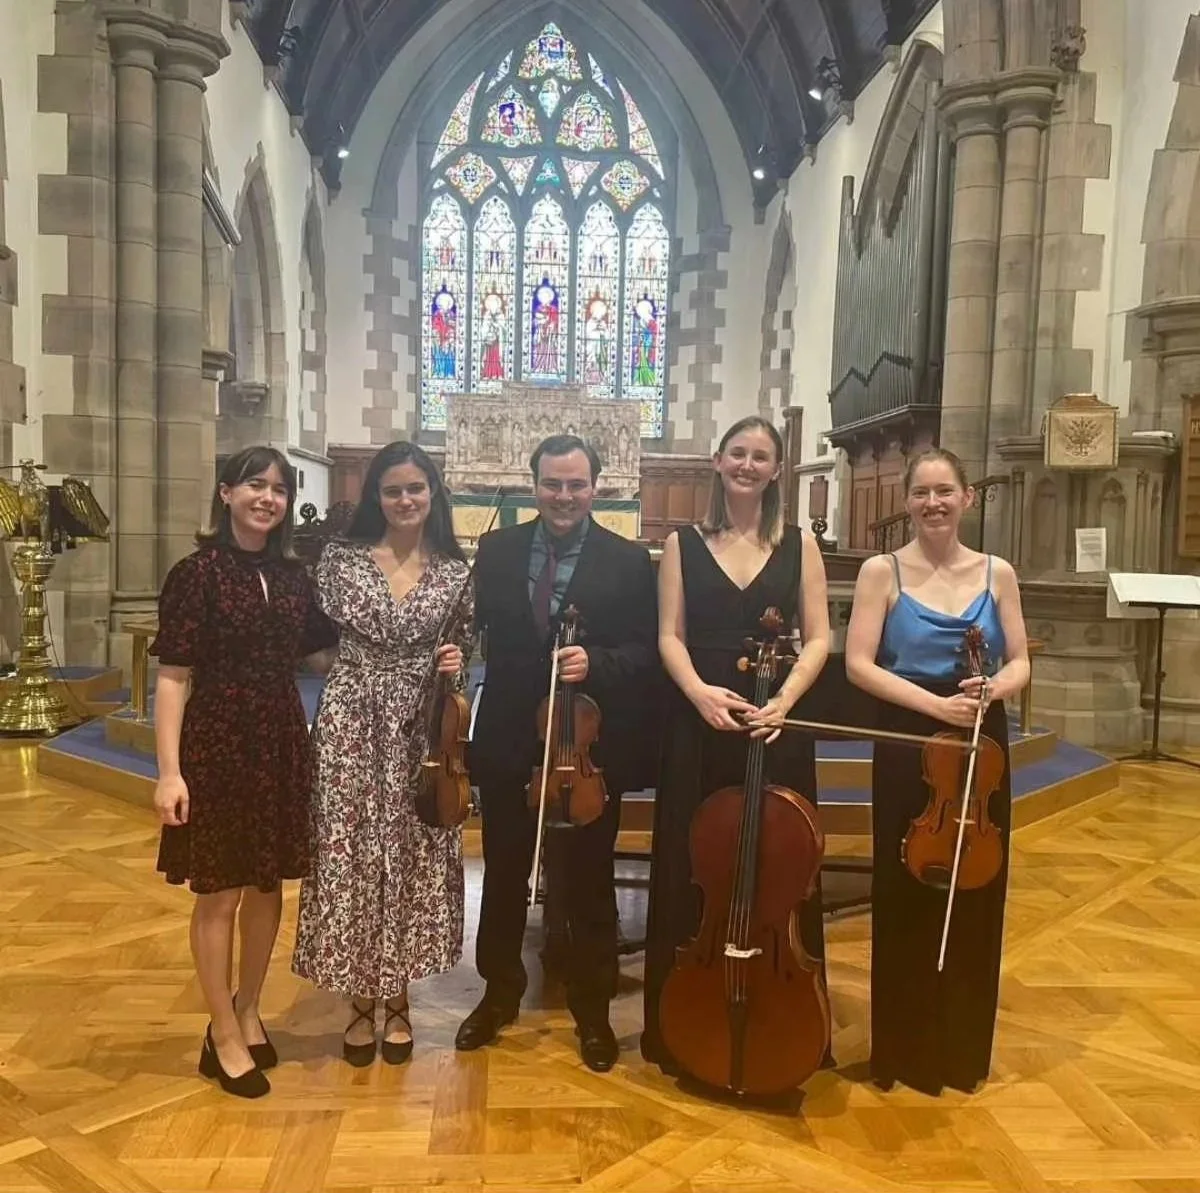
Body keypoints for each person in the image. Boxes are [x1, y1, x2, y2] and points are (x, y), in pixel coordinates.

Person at [455, 434, 658, 1072]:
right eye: (552, 483)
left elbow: (649, 653)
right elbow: (469, 627)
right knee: (506, 875)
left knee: (589, 880)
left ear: (598, 487)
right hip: (511, 736)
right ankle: (499, 992)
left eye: (576, 484)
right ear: (533, 484)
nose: (564, 496)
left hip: (587, 749)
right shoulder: (495, 550)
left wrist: (595, 660)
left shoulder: (628, 561)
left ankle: (592, 1007)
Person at [640, 415, 833, 1077]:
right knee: (697, 868)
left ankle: (783, 1020)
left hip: (774, 721)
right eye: (738, 454)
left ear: (777, 470)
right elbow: (671, 634)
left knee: (780, 872)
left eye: (761, 456)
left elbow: (819, 637)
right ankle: (683, 1026)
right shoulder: (682, 543)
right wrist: (699, 692)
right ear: (718, 463)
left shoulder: (801, 544)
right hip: (702, 721)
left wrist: (785, 699)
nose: (749, 465)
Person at [151, 446, 338, 1099]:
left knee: (267, 885)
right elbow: (173, 677)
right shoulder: (195, 573)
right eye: (255, 484)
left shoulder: (294, 577)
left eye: (279, 488)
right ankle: (222, 1032)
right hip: (217, 742)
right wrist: (169, 772)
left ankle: (251, 1005)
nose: (267, 496)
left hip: (281, 738)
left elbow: (320, 653)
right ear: (226, 492)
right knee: (221, 892)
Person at [844, 447, 1030, 1095]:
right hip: (907, 738)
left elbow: (1021, 663)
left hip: (981, 742)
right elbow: (859, 664)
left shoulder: (998, 572)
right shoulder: (881, 571)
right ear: (906, 501)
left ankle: (960, 1048)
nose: (933, 503)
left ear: (967, 497)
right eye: (921, 492)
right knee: (905, 888)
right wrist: (936, 704)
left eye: (944, 491)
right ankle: (903, 1047)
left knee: (975, 890)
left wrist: (991, 689)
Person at [292, 441, 471, 1066]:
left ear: (432, 494)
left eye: (415, 489)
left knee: (410, 855)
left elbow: (466, 652)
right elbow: (312, 645)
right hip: (352, 718)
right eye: (392, 490)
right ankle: (358, 1001)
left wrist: (454, 662)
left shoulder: (454, 570)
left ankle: (396, 997)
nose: (404, 501)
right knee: (352, 853)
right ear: (377, 497)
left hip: (422, 727)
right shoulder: (340, 561)